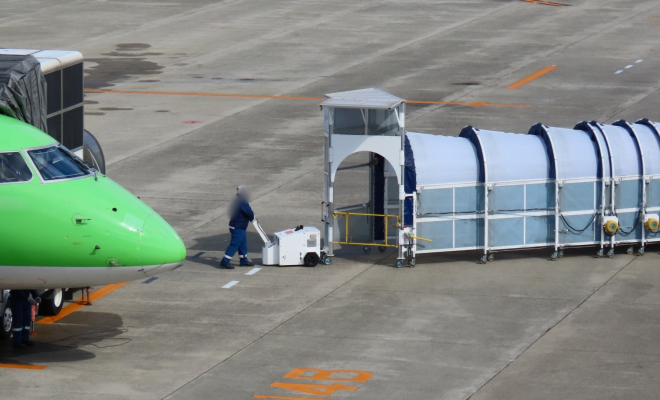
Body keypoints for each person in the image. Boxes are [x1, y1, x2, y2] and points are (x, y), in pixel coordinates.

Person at [219, 185, 256, 269]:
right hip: (238, 226)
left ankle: (243, 260)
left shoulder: (237, 201)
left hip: (238, 226)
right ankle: (225, 261)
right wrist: (252, 217)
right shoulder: (242, 202)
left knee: (243, 244)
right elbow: (249, 212)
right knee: (234, 244)